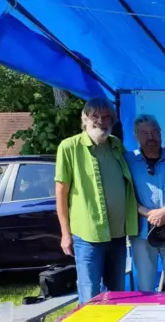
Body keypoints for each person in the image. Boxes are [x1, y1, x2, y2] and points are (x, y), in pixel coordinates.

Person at [55, 98, 138, 304]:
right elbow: (61, 194)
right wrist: (65, 234)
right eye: (95, 117)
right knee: (90, 293)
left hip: (118, 234)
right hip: (88, 236)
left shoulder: (116, 145)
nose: (101, 121)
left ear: (113, 120)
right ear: (85, 119)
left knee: (117, 293)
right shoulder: (69, 147)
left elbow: (137, 164)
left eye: (107, 117)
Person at [126, 114, 165, 293]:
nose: (150, 136)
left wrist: (164, 211)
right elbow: (125, 195)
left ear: (161, 133)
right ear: (136, 136)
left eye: (154, 131)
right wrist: (149, 213)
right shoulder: (128, 160)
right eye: (144, 133)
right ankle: (149, 321)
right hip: (141, 232)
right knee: (145, 286)